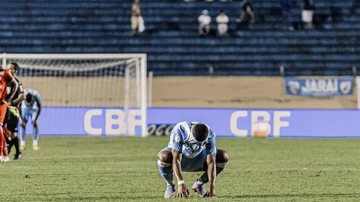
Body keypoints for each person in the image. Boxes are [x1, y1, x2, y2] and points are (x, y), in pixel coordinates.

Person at [157, 121, 229, 198]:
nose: (199, 145)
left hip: (199, 158)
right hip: (181, 159)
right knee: (164, 156)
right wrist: (181, 183)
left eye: (202, 143)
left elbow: (211, 161)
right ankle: (170, 185)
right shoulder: (180, 130)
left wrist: (212, 186)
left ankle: (199, 183)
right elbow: (176, 159)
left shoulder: (210, 133)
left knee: (223, 156)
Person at [4, 63, 25, 160]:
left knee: (12, 133)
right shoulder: (5, 81)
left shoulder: (17, 82)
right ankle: (8, 146)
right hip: (4, 108)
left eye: (10, 68)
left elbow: (23, 97)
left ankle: (18, 152)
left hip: (13, 109)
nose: (8, 69)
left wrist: (11, 103)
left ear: (14, 70)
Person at [0, 63, 19, 162]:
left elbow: (16, 87)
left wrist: (9, 100)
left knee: (9, 131)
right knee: (3, 130)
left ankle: (9, 152)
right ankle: (6, 153)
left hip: (8, 107)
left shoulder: (5, 74)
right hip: (6, 106)